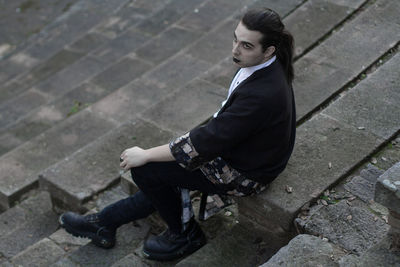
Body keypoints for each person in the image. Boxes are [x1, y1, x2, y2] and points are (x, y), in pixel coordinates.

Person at [59, 7, 296, 261]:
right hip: (245, 151)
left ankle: (185, 235)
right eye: (235, 39)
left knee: (147, 169)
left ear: (268, 50)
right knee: (161, 171)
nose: (235, 49)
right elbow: (220, 131)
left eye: (246, 45)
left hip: (245, 173)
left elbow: (206, 141)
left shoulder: (261, 94)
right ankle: (104, 222)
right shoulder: (263, 66)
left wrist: (147, 154)